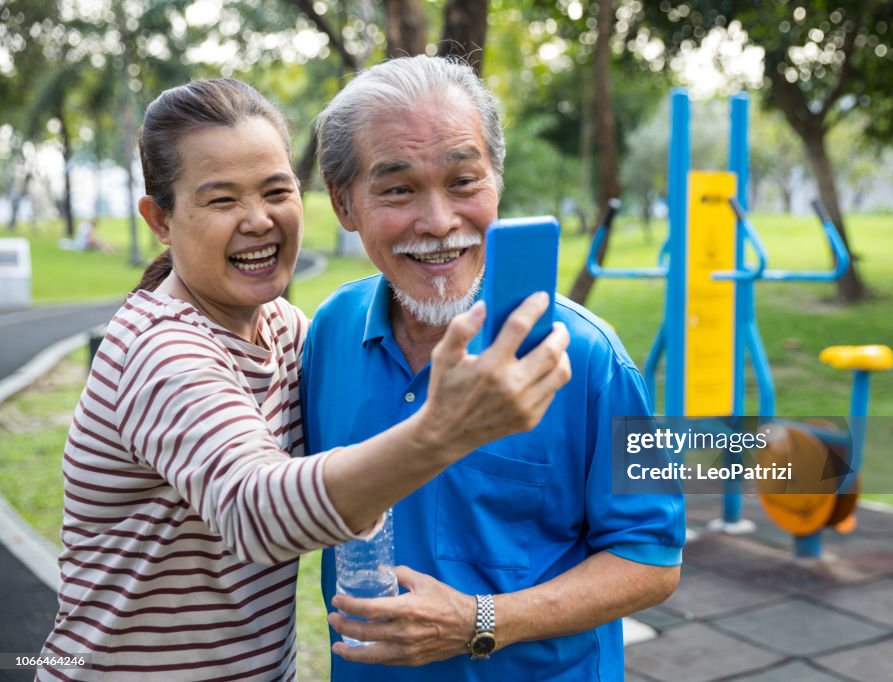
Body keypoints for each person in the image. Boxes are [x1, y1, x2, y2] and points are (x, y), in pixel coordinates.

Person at [37, 78, 570, 681]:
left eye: (275, 191)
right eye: (221, 200)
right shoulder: (180, 348)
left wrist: (484, 619)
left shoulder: (593, 355)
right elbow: (259, 509)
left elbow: (662, 536)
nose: (259, 220)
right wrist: (447, 430)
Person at [303, 55, 684, 681]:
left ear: (496, 185)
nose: (438, 222)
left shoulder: (588, 356)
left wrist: (479, 621)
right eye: (397, 189)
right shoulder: (330, 333)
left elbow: (651, 560)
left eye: (463, 182)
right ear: (344, 204)